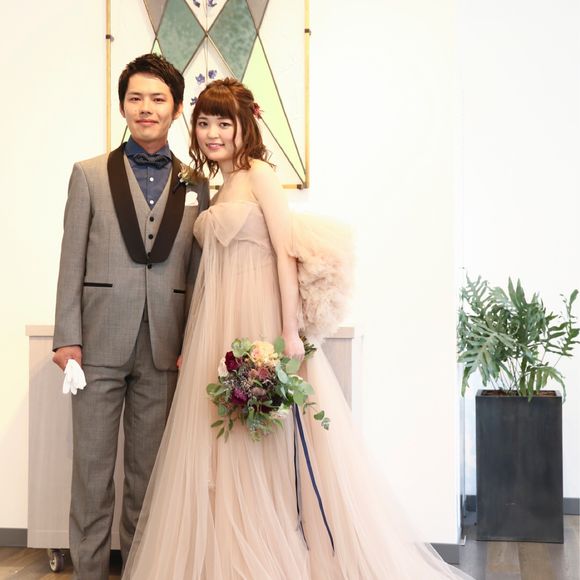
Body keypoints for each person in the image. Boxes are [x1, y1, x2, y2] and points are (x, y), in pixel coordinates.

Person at [122, 78, 474, 579]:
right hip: (216, 323)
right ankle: (225, 552)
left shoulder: (259, 174)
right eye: (203, 123)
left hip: (258, 318)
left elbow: (286, 255)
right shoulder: (216, 186)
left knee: (258, 432)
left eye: (224, 122)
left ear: (245, 125)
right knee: (222, 434)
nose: (212, 133)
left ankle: (264, 546)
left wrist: (288, 331)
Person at [52, 53, 209, 580]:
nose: (146, 108)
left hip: (166, 346)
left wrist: (193, 341)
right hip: (96, 342)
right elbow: (71, 258)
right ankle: (89, 572)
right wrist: (66, 336)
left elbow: (199, 270)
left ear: (176, 108)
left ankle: (143, 568)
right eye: (136, 98)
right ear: (122, 105)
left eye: (158, 99)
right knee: (92, 471)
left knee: (149, 475)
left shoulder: (195, 183)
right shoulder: (89, 174)